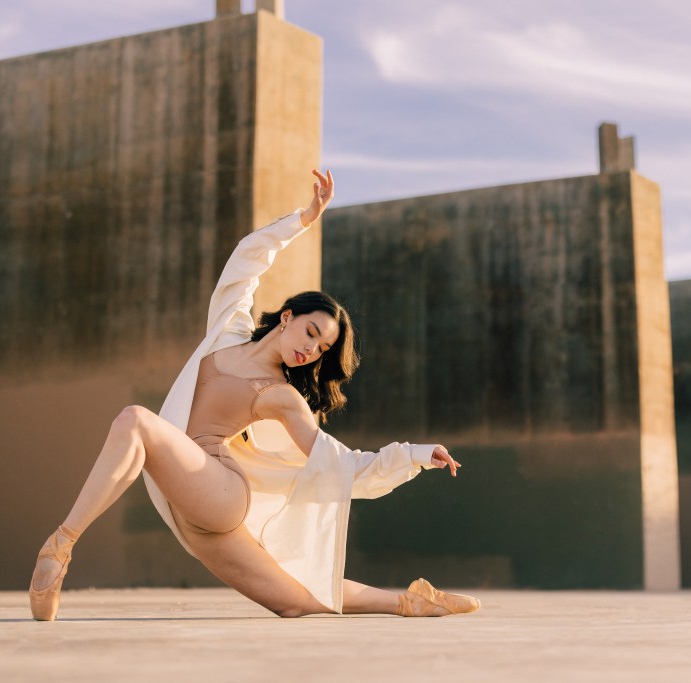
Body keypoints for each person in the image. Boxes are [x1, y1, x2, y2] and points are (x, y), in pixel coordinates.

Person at [29, 169, 481, 620]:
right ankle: (410, 601)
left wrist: (414, 455)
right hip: (190, 503)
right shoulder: (228, 329)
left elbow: (339, 464)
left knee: (136, 421)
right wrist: (304, 219)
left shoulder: (281, 396)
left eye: (322, 349)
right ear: (287, 316)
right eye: (311, 332)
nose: (311, 350)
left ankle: (59, 548)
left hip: (220, 494)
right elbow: (247, 258)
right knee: (295, 601)